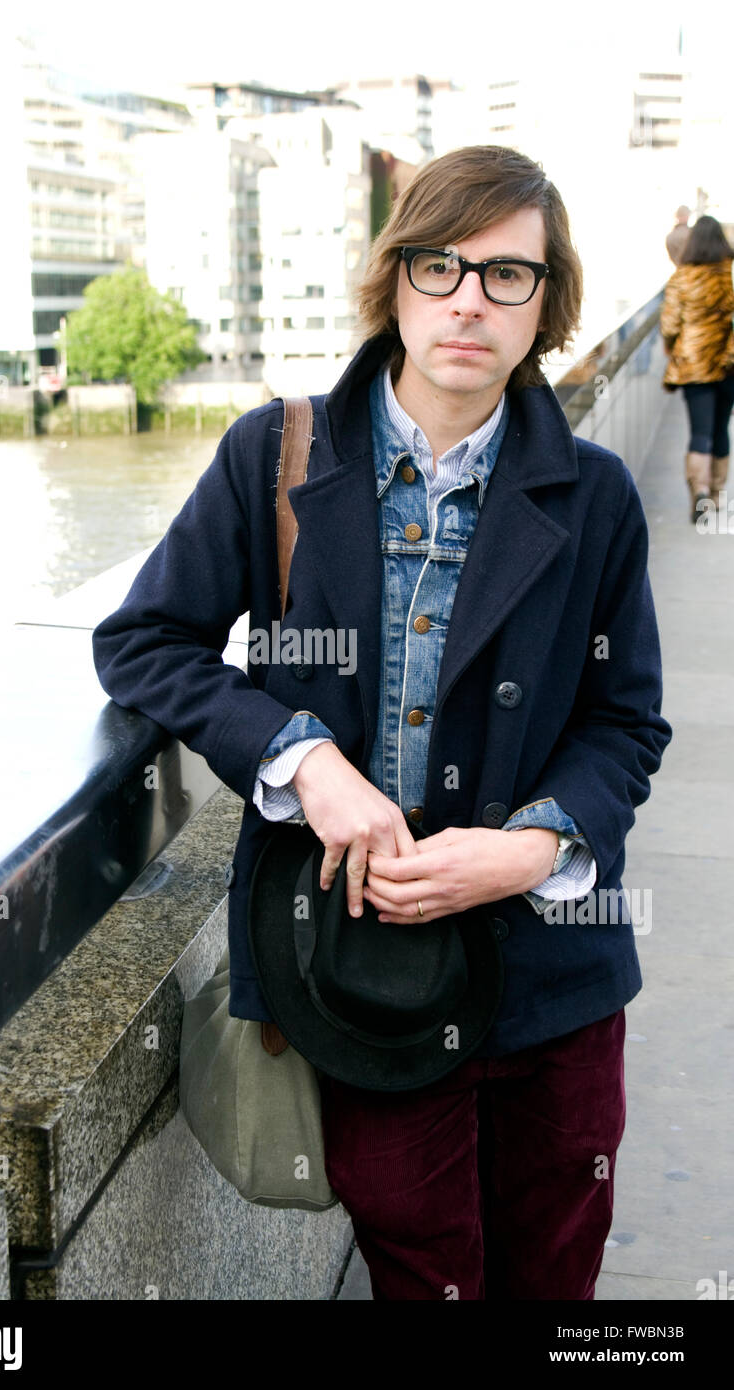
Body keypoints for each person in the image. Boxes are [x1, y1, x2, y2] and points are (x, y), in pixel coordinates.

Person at [92, 145, 671, 1301]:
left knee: (555, 1267)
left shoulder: (593, 494)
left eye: (507, 275)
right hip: (360, 970)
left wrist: (531, 846)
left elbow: (623, 722)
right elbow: (143, 643)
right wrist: (301, 761)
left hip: (550, 975)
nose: (468, 298)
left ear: (545, 302)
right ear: (393, 279)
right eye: (438, 264)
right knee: (419, 1262)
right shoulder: (278, 455)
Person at [661, 214, 734, 521]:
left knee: (700, 431)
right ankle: (718, 496)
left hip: (695, 365)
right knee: (721, 427)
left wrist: (674, 348)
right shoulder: (730, 274)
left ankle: (700, 494)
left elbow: (669, 323)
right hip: (729, 364)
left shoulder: (682, 277)